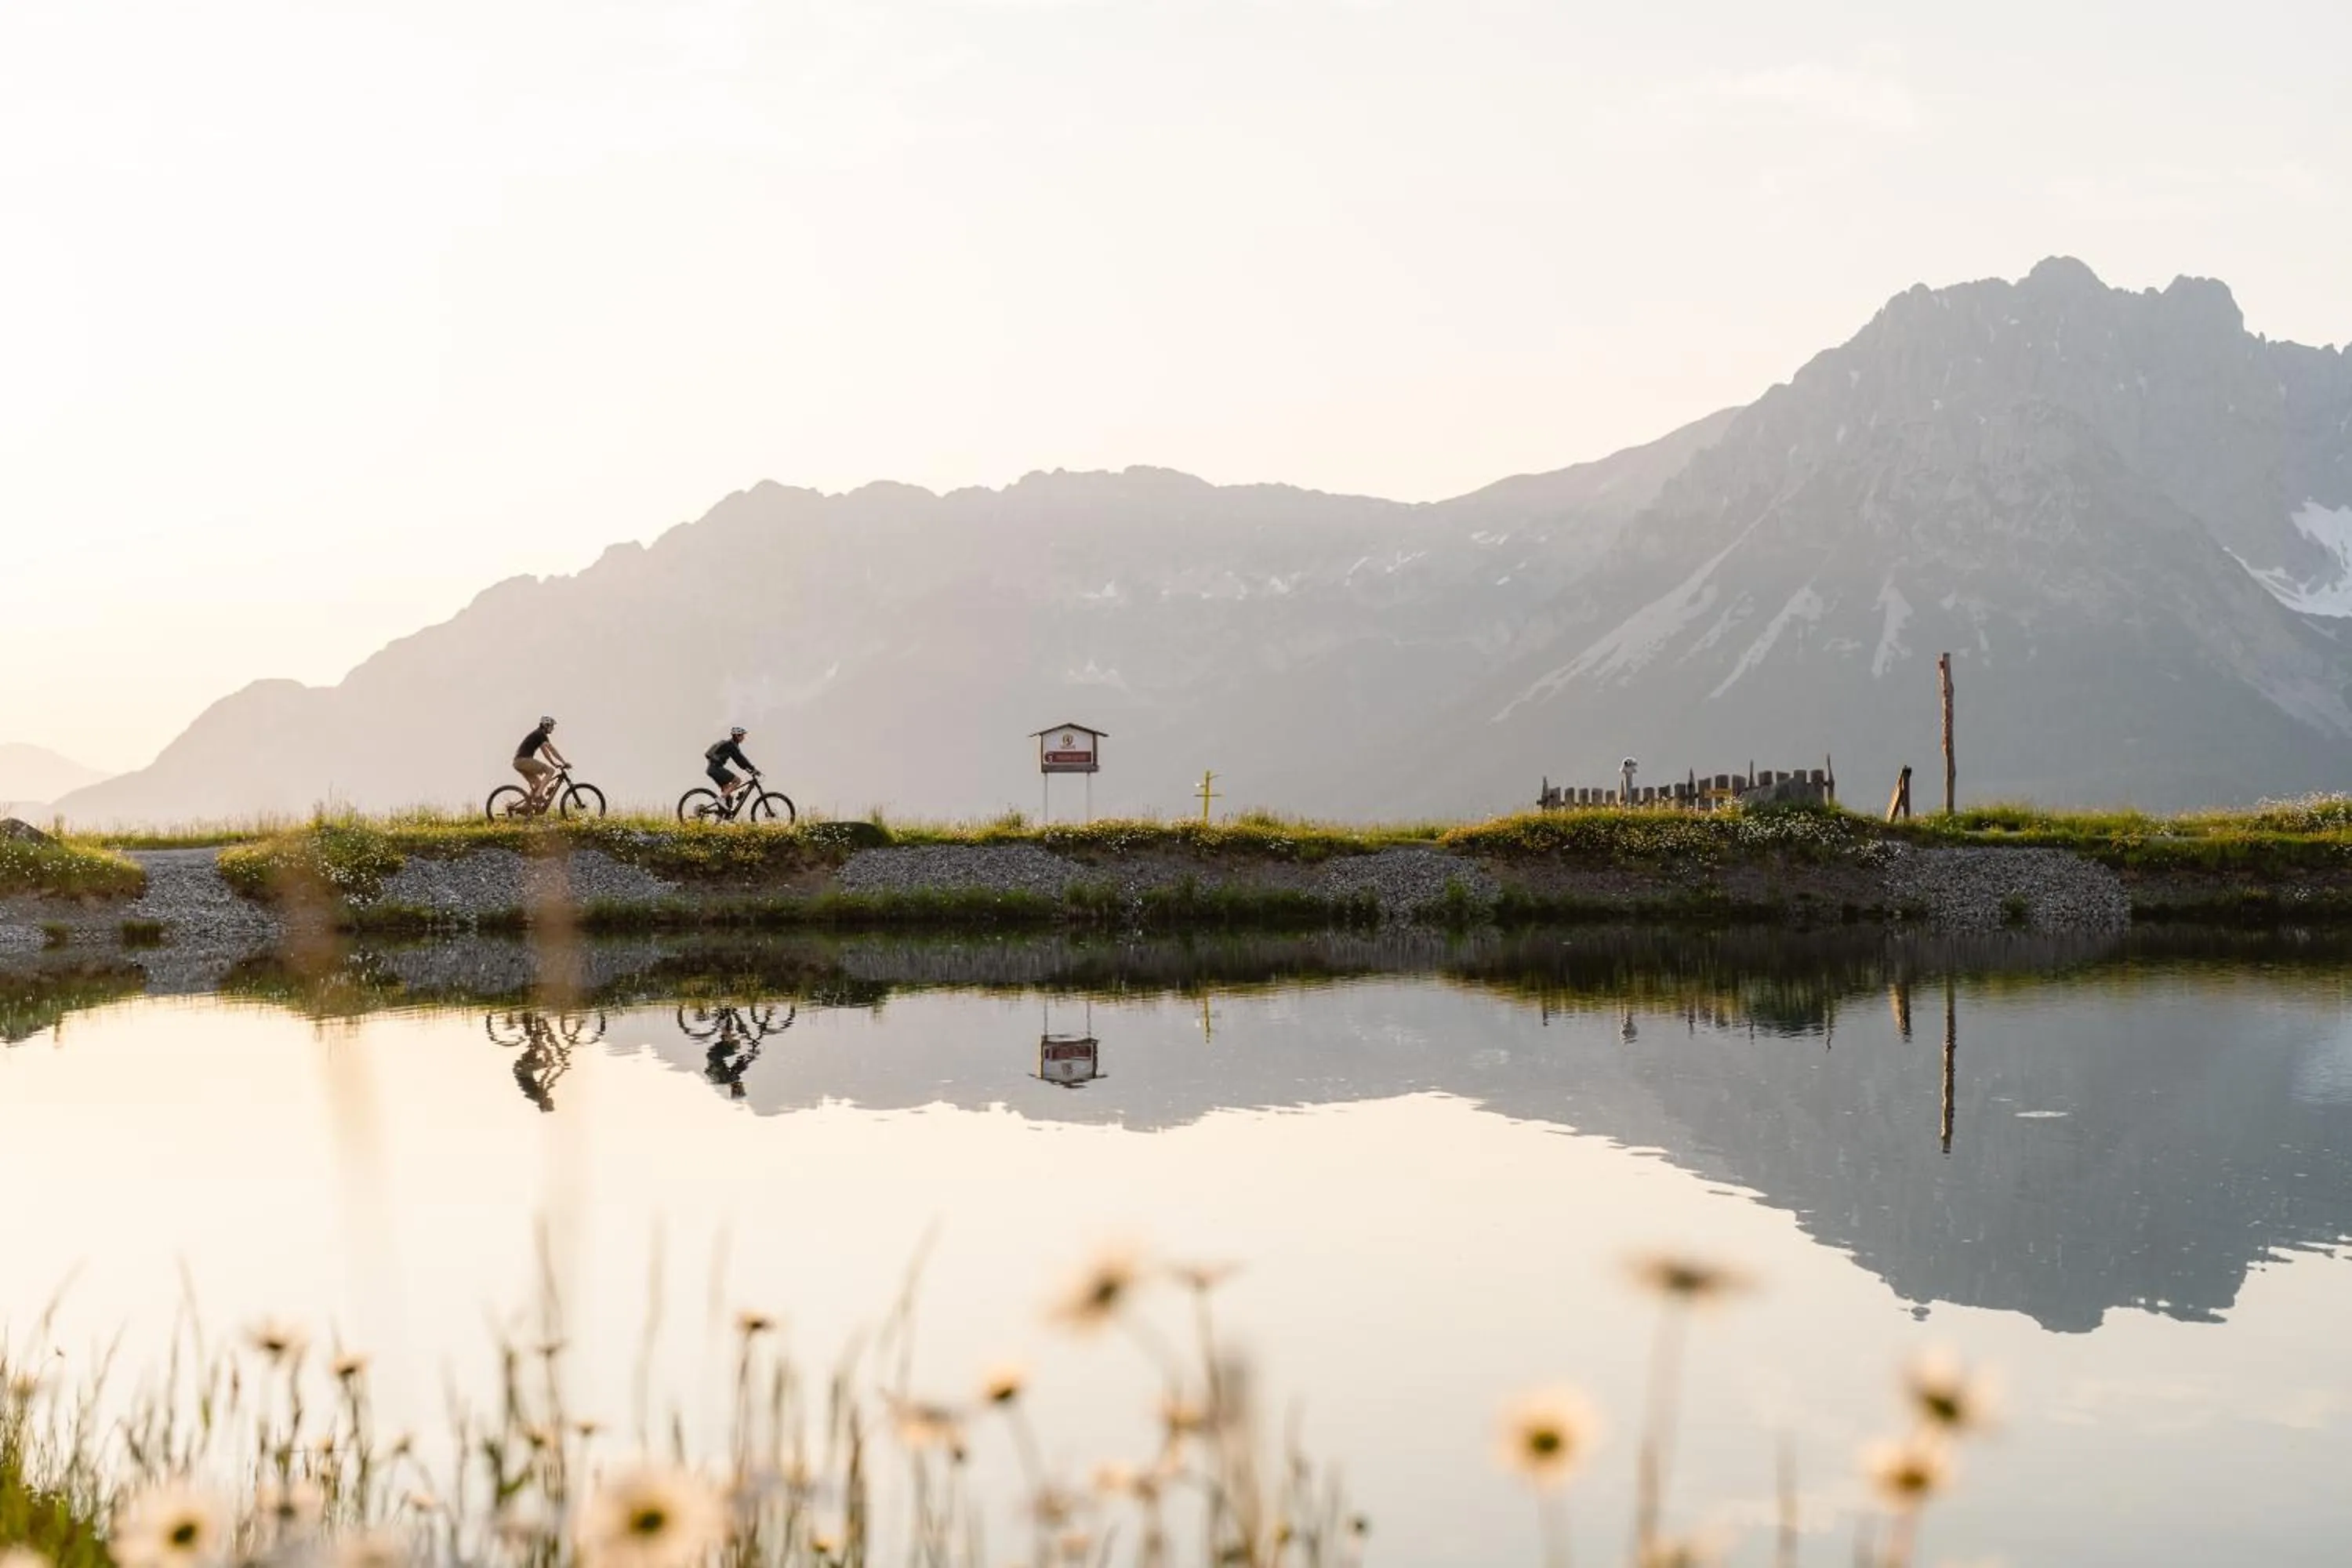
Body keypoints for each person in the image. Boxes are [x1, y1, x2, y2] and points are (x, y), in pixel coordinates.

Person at [514, 715, 569, 811]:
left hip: (518, 762)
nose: (553, 728)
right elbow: (551, 749)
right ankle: (539, 795)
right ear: (546, 725)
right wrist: (564, 762)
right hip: (524, 760)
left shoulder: (538, 735)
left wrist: (554, 763)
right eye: (552, 726)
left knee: (539, 785)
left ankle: (525, 807)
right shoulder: (540, 734)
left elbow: (545, 752)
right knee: (550, 771)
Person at [704, 726, 758, 811]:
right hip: (716, 768)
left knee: (728, 796)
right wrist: (753, 769)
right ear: (737, 736)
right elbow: (741, 759)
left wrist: (749, 769)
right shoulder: (731, 745)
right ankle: (721, 799)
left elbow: (739, 762)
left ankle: (723, 815)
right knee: (737, 781)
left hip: (713, 769)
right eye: (742, 736)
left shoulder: (730, 745)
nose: (744, 738)